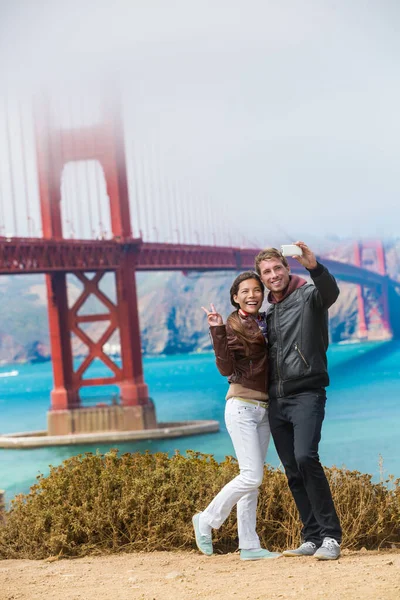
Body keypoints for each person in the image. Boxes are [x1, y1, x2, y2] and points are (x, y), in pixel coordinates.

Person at [254, 242, 342, 560]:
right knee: (292, 469)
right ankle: (312, 536)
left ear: (288, 269)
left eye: (278, 268)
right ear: (261, 278)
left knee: (306, 457)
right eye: (267, 271)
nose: (274, 274)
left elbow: (330, 293)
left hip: (307, 391)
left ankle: (331, 537)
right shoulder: (269, 313)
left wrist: (314, 266)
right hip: (276, 399)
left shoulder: (310, 296)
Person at [192, 271, 281, 561]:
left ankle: (250, 546)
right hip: (241, 405)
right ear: (235, 297)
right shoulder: (230, 325)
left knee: (252, 481)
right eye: (245, 291)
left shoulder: (266, 321)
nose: (252, 295)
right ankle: (206, 519)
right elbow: (224, 367)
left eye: (257, 290)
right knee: (252, 476)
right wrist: (217, 330)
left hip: (264, 409)